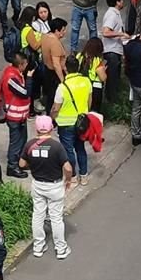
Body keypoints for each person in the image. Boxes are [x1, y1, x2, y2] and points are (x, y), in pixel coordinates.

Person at [18, 115, 72, 260]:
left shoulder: (29, 145)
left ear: (36, 128)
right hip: (54, 186)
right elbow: (67, 167)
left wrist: (34, 166)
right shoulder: (56, 146)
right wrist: (68, 179)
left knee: (38, 215)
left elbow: (22, 164)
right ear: (51, 128)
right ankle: (61, 249)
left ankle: (38, 246)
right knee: (56, 218)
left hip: (37, 184)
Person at [51, 56, 92, 187]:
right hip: (82, 123)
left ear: (65, 68)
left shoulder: (62, 87)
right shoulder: (86, 81)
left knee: (68, 151)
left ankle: (73, 177)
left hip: (65, 124)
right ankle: (84, 176)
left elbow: (56, 108)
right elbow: (89, 102)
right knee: (81, 149)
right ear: (78, 67)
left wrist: (51, 118)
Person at [0, 52, 32, 178]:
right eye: (26, 63)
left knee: (22, 139)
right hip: (14, 116)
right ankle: (12, 166)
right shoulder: (11, 77)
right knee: (16, 142)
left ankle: (20, 163)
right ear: (21, 64)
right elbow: (25, 93)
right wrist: (29, 79)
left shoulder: (15, 73)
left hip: (20, 115)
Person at [100, 0, 129, 104]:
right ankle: (111, 101)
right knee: (112, 78)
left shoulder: (115, 14)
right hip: (111, 50)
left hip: (115, 50)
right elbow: (106, 32)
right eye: (121, 0)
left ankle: (113, 99)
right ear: (117, 2)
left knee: (115, 77)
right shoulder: (112, 15)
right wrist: (121, 34)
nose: (122, 2)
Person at [40, 18, 69, 116]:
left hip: (46, 70)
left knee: (49, 97)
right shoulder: (54, 43)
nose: (65, 32)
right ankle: (53, 118)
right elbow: (57, 64)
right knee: (54, 98)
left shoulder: (45, 37)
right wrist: (63, 80)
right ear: (56, 30)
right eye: (63, 30)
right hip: (54, 75)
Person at [77, 38, 108, 112]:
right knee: (94, 111)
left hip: (81, 85)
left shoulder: (79, 56)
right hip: (95, 87)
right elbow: (102, 78)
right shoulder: (97, 60)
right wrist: (104, 69)